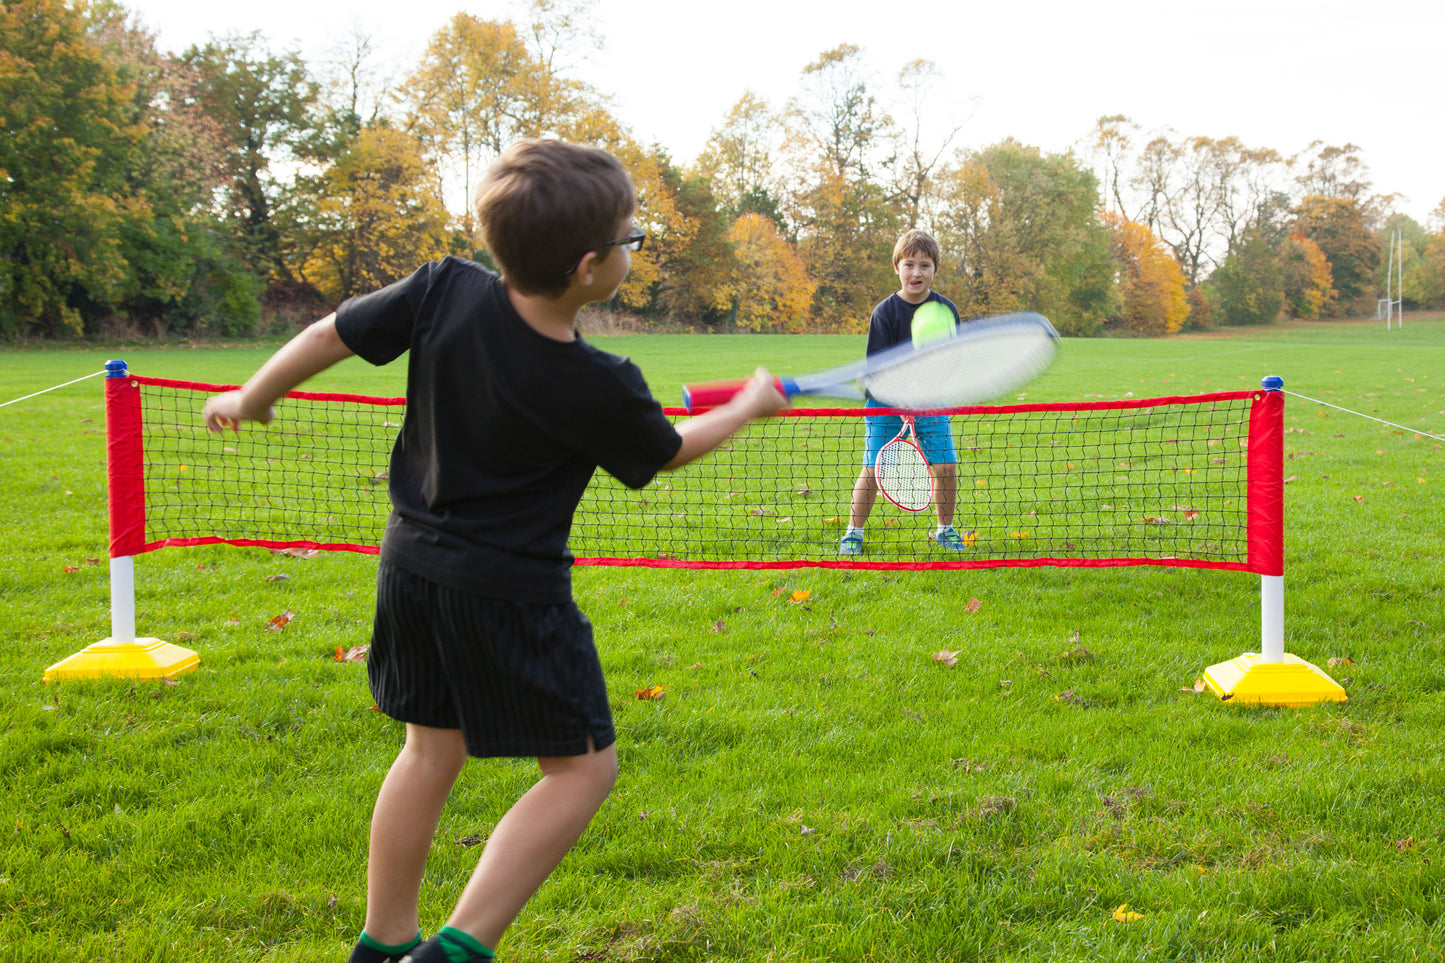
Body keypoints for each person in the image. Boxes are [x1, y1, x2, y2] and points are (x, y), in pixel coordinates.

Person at [202, 138, 786, 963]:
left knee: (428, 748)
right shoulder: (599, 381)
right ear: (589, 266)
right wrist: (750, 406)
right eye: (630, 238)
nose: (631, 249)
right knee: (582, 771)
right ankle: (454, 952)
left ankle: (382, 943)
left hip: (408, 567)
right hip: (509, 595)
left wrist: (252, 395)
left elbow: (331, 332)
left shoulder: (445, 288)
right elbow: (669, 451)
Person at [839, 229, 970, 555]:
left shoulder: (945, 310)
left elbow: (951, 360)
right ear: (896, 266)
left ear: (935, 269)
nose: (916, 273)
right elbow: (878, 368)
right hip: (884, 402)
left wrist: (924, 389)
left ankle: (946, 530)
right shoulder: (884, 313)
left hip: (929, 401)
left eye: (924, 265)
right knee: (872, 469)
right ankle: (853, 534)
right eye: (909, 264)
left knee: (946, 468)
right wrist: (899, 394)